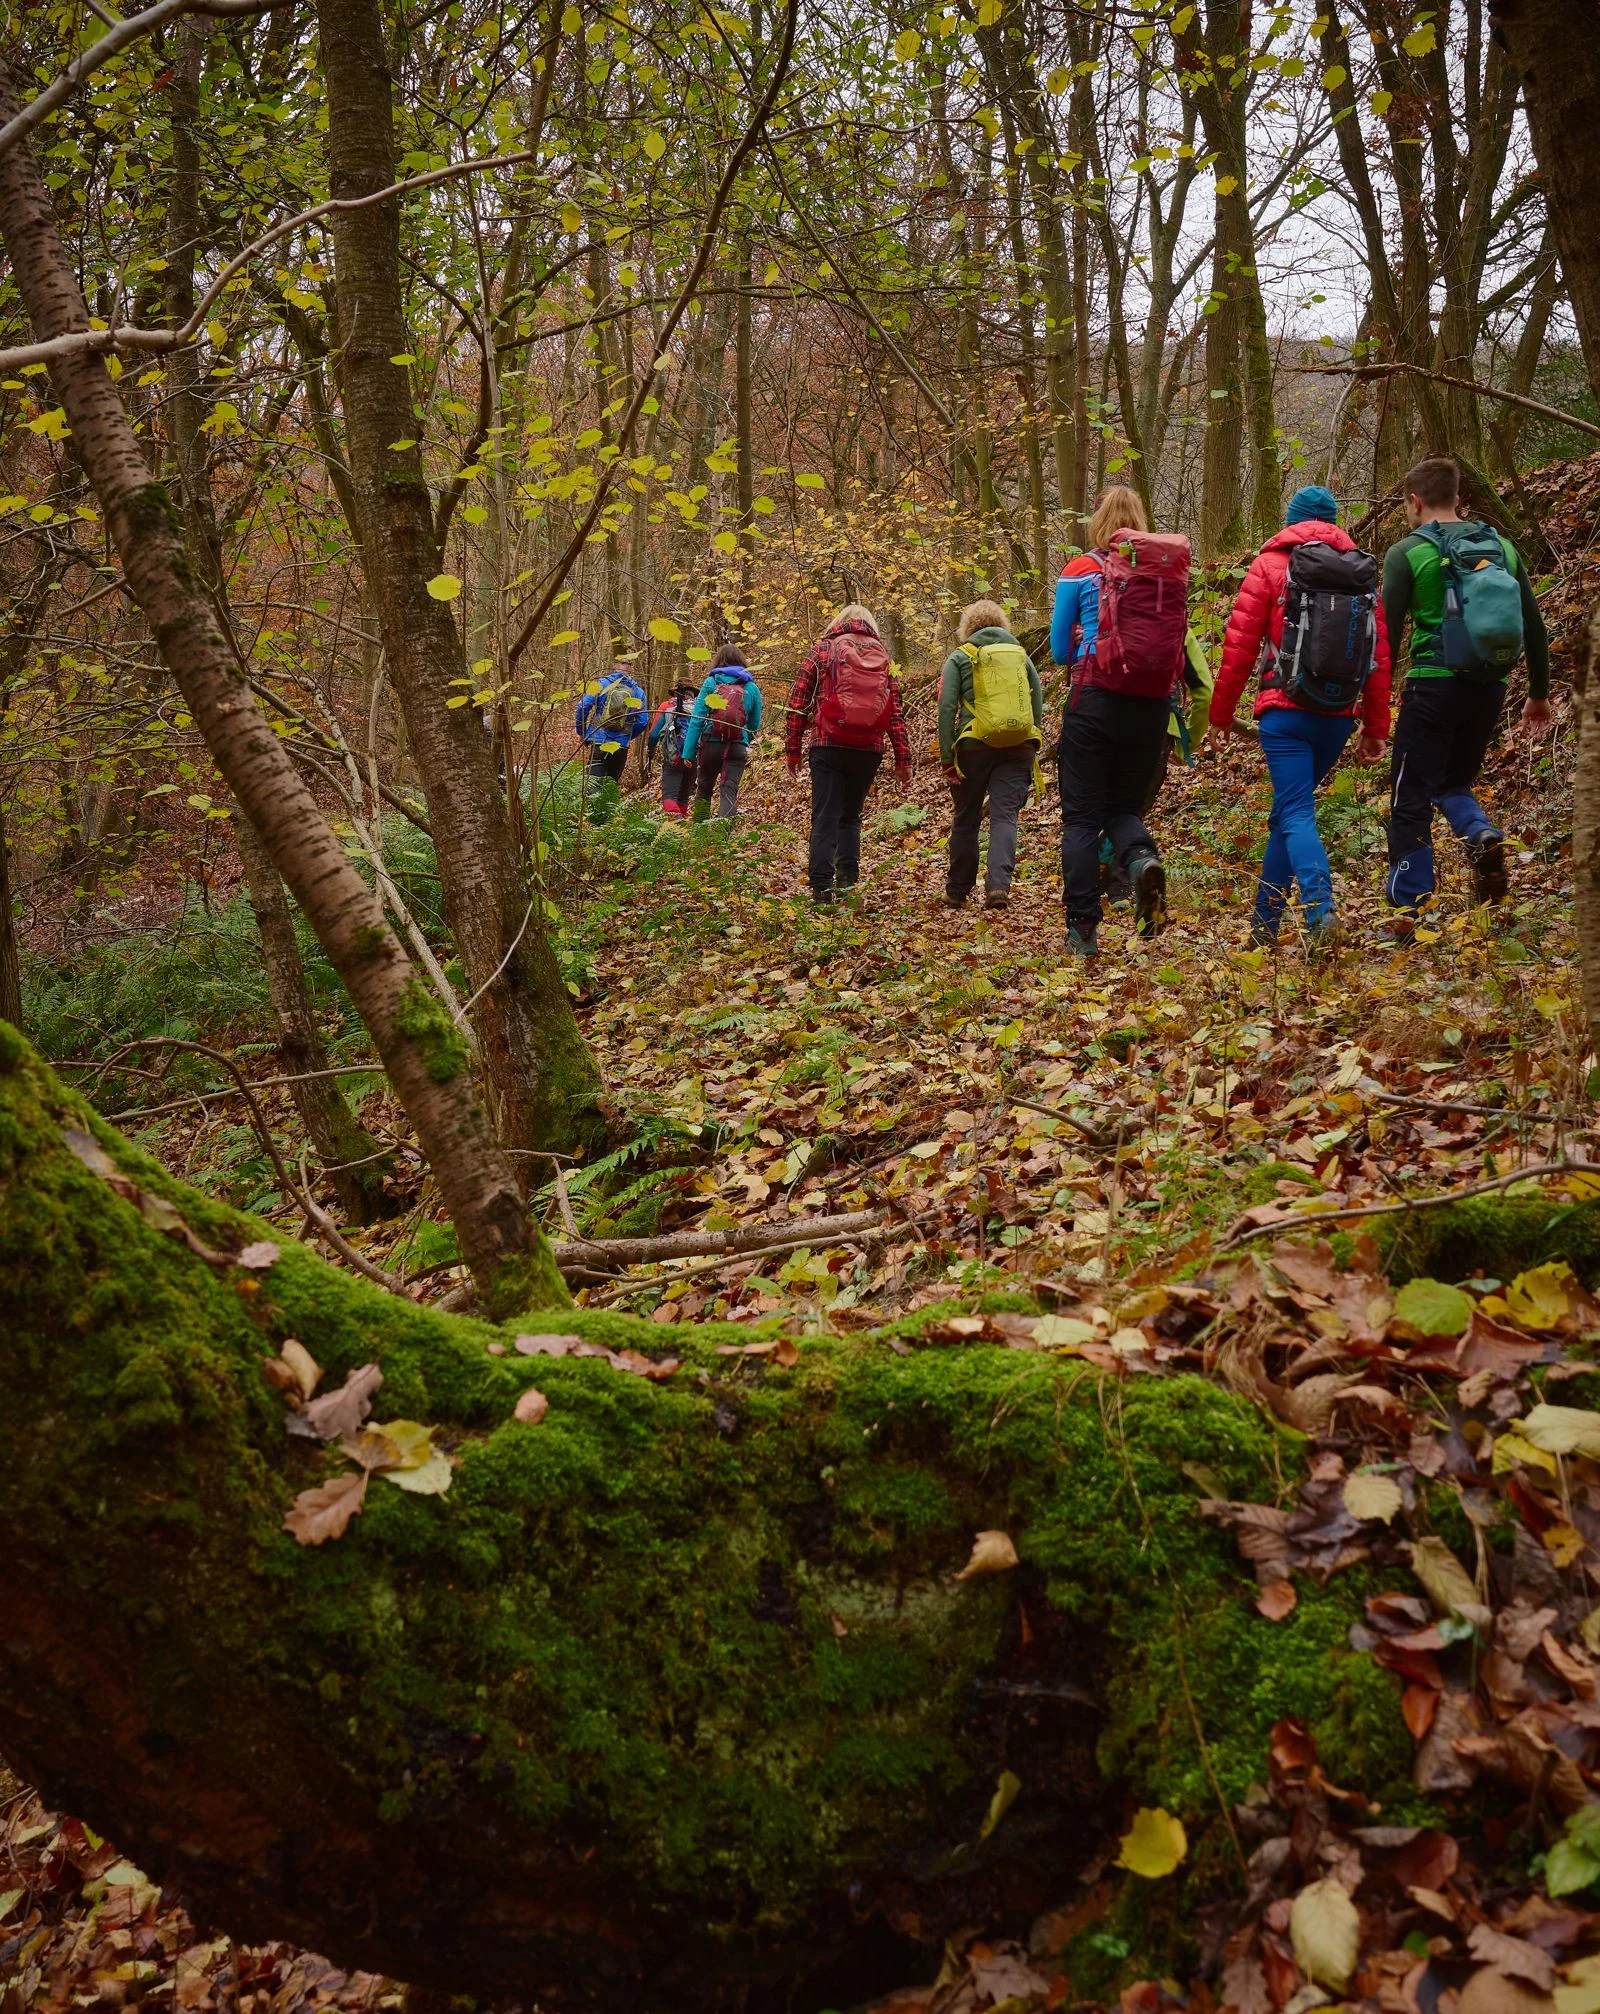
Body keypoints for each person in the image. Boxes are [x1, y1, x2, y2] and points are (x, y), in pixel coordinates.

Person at [1212, 483, 1393, 949]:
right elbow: (1379, 656)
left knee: (1294, 811)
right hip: (1337, 716)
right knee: (1286, 814)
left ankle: (1319, 910)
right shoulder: (1360, 575)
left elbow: (1239, 648)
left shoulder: (1271, 566)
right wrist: (1375, 728)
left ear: (1291, 522)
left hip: (1284, 712)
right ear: (1335, 523)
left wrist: (1219, 715)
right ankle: (1263, 926)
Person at [1381, 455, 1552, 921]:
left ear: (1415, 502)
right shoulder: (1502, 547)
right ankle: (1479, 834)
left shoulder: (1407, 553)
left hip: (1431, 689)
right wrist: (1538, 694)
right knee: (1453, 781)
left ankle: (1410, 908)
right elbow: (1535, 630)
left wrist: (1372, 713)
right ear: (1459, 498)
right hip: (1488, 689)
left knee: (1410, 796)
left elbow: (1387, 642)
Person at [1052, 485, 1192, 957]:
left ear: (1098, 522)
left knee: (1081, 817)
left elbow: (1056, 651)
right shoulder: (1162, 575)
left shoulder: (1080, 570)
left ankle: (1083, 930)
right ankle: (1141, 861)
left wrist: (1086, 642)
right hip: (1151, 705)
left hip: (1094, 701)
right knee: (1123, 810)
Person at [784, 603, 912, 905]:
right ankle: (847, 879)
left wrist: (793, 750)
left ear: (838, 622)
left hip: (827, 743)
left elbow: (798, 702)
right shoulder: (883, 656)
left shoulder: (823, 649)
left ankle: (820, 887)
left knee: (825, 815)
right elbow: (894, 713)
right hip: (868, 748)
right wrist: (903, 760)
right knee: (851, 816)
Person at [937, 598, 1043, 910]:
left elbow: (946, 707)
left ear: (967, 627)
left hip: (973, 746)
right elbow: (1035, 699)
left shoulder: (961, 656)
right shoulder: (1020, 655)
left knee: (967, 818)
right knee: (1005, 817)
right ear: (1003, 625)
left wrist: (947, 756)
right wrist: (1031, 737)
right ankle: (998, 887)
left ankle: (957, 890)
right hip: (1018, 747)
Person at [682, 645, 764, 821]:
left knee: (704, 789)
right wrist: (744, 741)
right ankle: (722, 840)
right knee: (729, 791)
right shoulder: (751, 687)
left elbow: (697, 718)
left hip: (710, 743)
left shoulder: (711, 683)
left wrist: (688, 751)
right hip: (737, 747)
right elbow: (754, 724)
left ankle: (699, 835)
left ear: (719, 661)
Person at [575, 663, 647, 819]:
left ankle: (591, 820)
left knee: (593, 782)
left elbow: (583, 706)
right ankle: (607, 821)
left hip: (599, 740)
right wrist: (627, 736)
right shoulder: (638, 691)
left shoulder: (601, 684)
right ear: (630, 669)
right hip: (621, 745)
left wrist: (582, 733)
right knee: (611, 783)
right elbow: (642, 721)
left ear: (615, 666)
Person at [646, 674, 701, 817]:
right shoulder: (699, 710)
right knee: (683, 798)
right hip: (693, 757)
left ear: (676, 691)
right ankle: (681, 829)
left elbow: (653, 734)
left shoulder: (667, 707)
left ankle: (673, 824)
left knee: (669, 796)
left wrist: (650, 750)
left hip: (673, 756)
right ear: (693, 693)